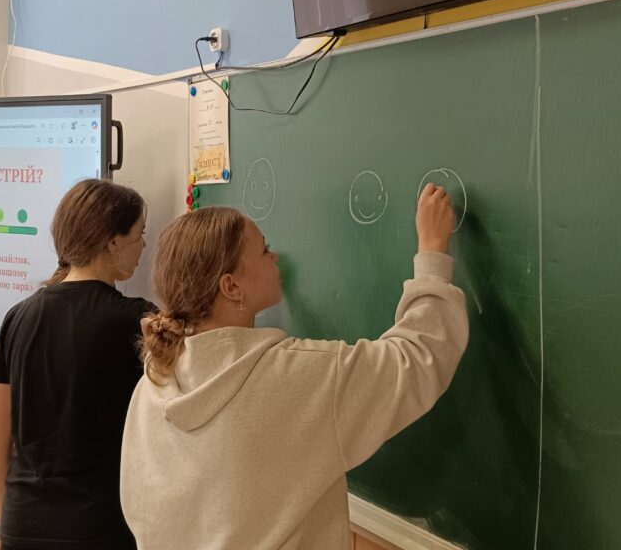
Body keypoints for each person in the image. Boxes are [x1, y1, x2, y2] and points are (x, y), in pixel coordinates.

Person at [120, 182, 469, 550]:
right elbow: (417, 358)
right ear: (231, 287)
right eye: (264, 249)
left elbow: (140, 508)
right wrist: (432, 253)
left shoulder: (154, 384)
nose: (275, 256)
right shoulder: (291, 378)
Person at [0, 179, 154, 550]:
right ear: (113, 242)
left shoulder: (18, 317)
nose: (144, 246)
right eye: (140, 234)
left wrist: (5, 527)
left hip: (22, 526)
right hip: (101, 529)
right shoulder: (138, 321)